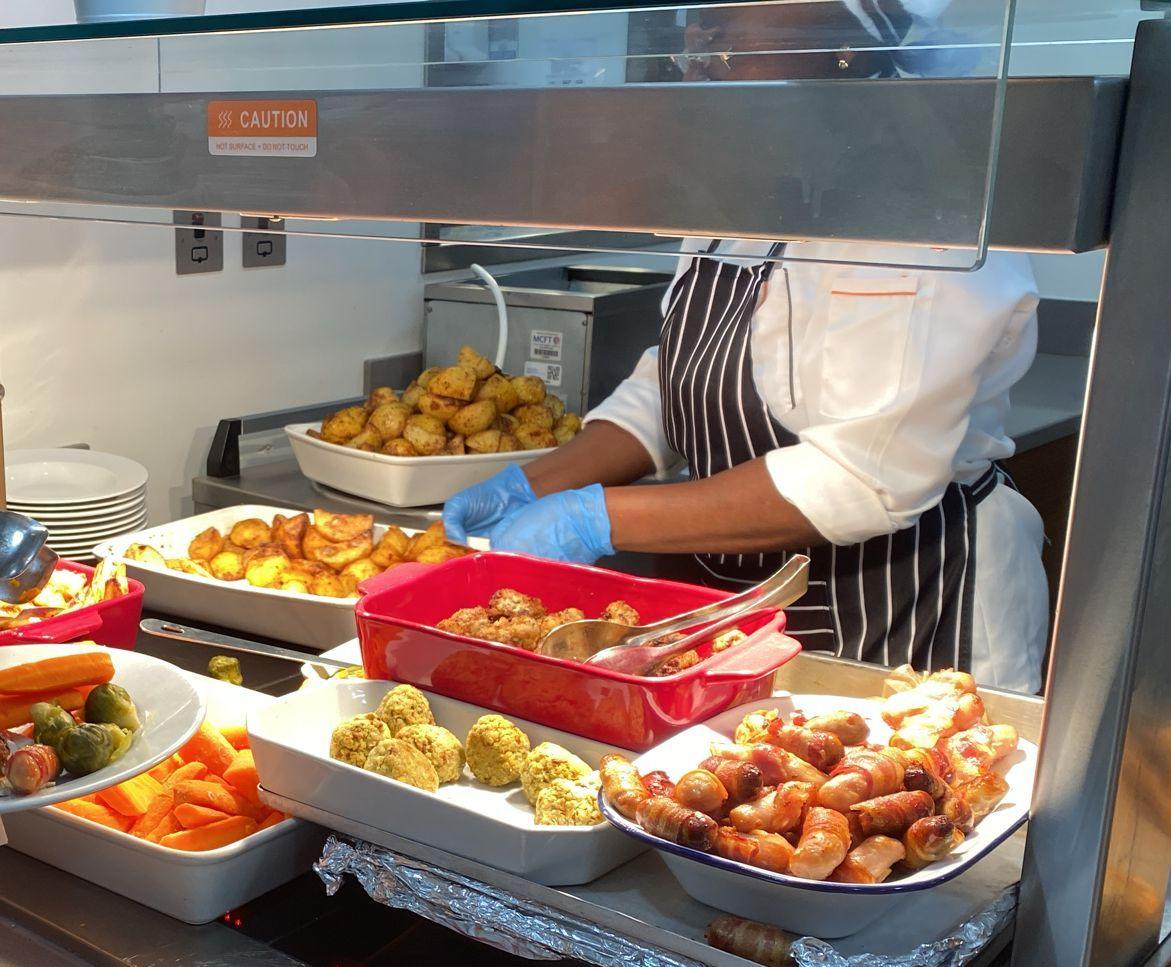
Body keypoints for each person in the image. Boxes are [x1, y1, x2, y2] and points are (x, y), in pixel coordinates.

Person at [445, 0, 1048, 693]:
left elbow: (863, 477)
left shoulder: (917, 211)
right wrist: (541, 483)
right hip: (738, 601)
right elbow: (678, 379)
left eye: (738, 9)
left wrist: (597, 516)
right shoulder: (747, 183)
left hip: (908, 607)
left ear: (851, 38)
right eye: (703, 12)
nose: (704, 28)